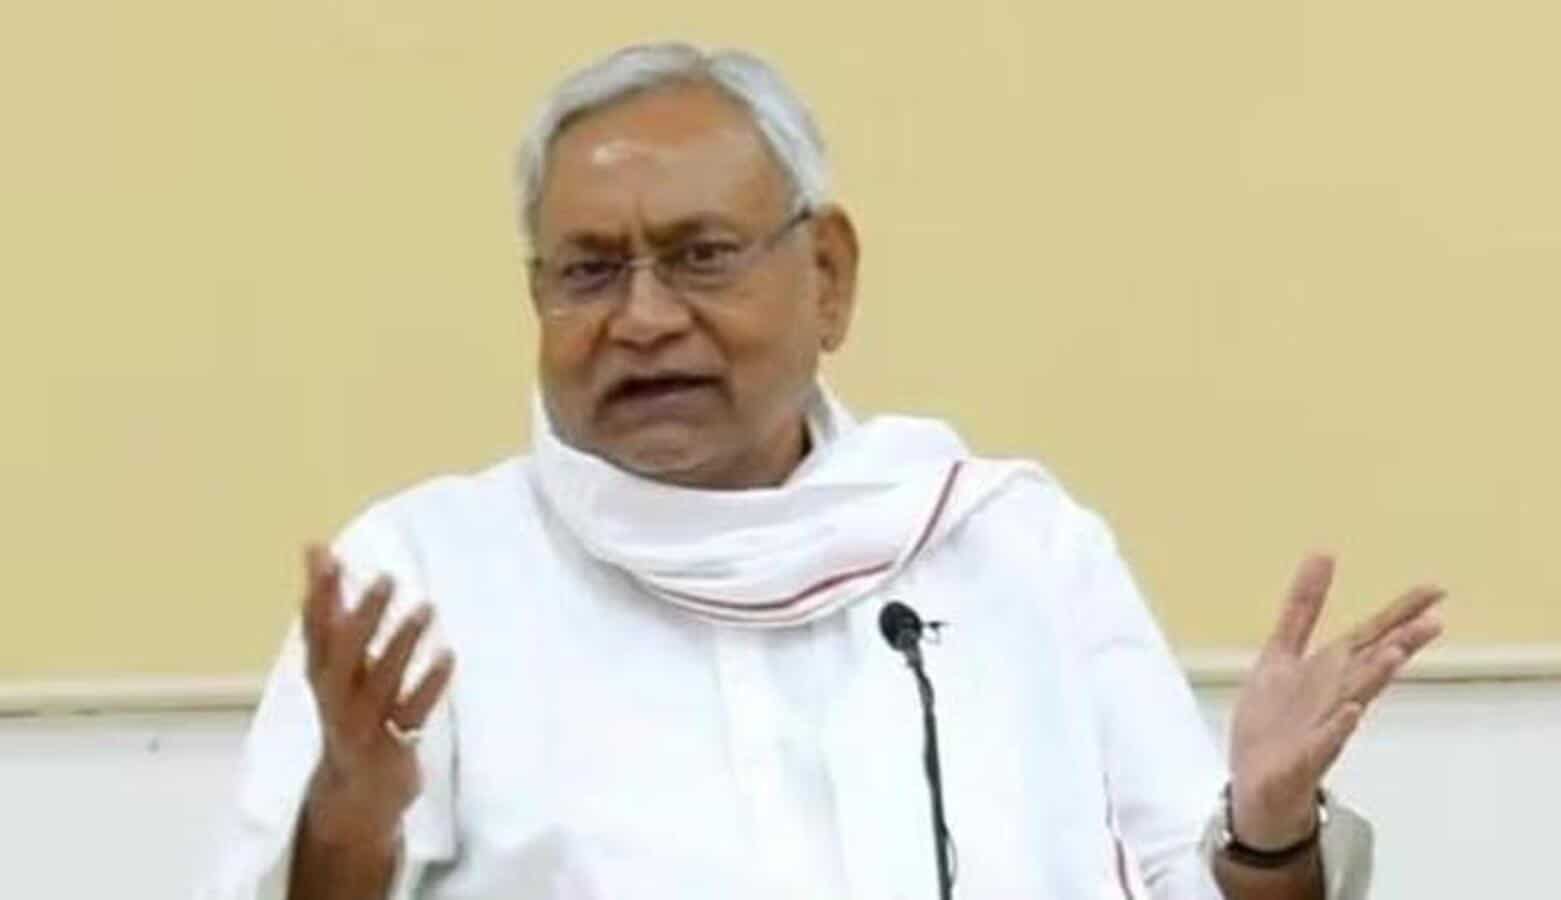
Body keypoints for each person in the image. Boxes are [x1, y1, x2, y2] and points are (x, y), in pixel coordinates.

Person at [201, 42, 1444, 900]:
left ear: (828, 276)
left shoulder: (1009, 548)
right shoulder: (423, 577)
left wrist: (1267, 833)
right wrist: (348, 821)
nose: (642, 319)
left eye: (700, 256)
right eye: (588, 272)